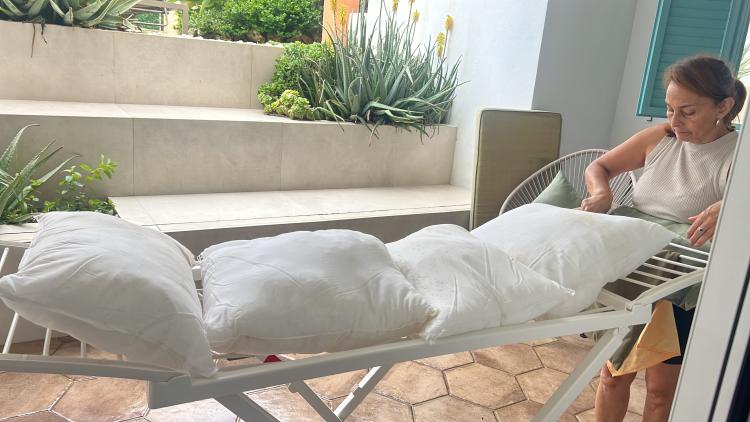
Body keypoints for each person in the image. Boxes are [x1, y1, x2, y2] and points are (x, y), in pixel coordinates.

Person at [582, 55, 745, 422]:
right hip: (632, 268)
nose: (675, 121)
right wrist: (601, 192)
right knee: (612, 375)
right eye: (670, 110)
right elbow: (599, 166)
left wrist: (732, 206)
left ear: (723, 107)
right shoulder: (661, 139)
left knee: (660, 391)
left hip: (682, 283)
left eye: (688, 112)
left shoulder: (738, 156)